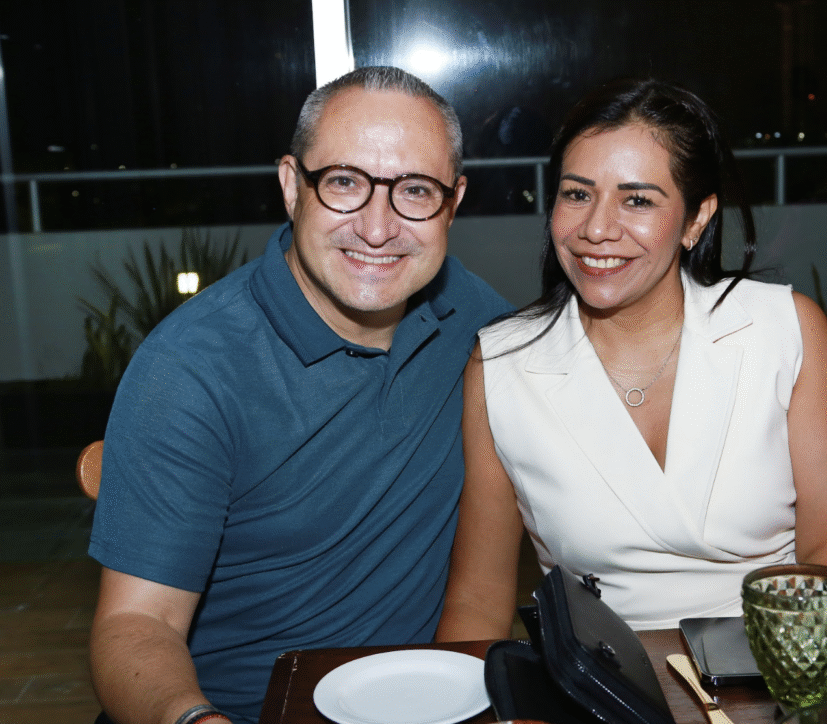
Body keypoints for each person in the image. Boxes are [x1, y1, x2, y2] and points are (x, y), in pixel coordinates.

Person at [87, 66, 511, 724]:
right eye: (344, 182)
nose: (377, 228)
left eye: (415, 191)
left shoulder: (478, 324)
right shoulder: (190, 369)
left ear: (452, 203)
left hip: (418, 700)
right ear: (292, 185)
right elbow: (135, 625)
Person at [436, 78, 827, 641]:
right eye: (577, 194)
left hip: (779, 655)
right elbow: (477, 602)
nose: (596, 229)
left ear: (696, 219)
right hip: (603, 677)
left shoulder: (783, 330)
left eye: (637, 200)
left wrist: (748, 676)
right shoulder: (503, 365)